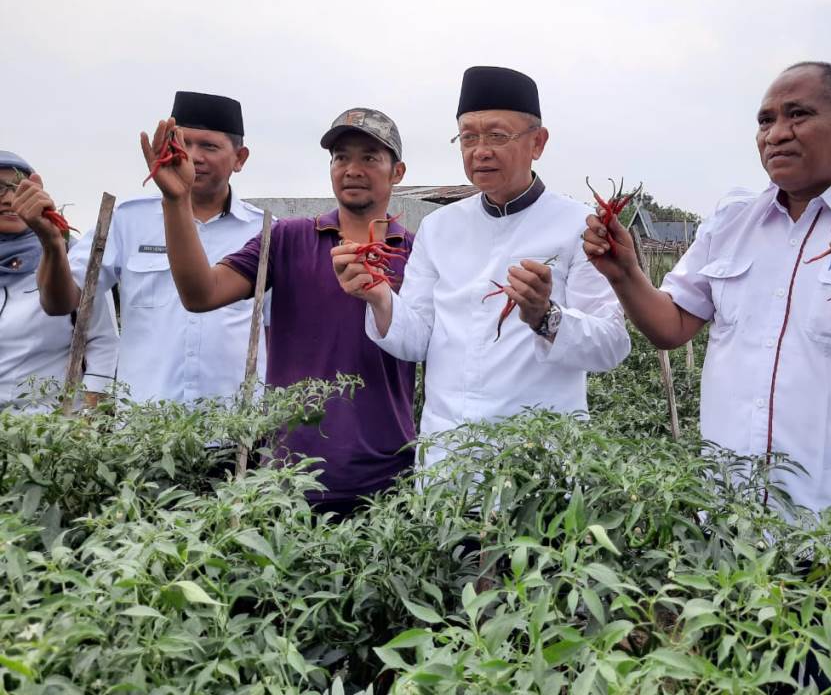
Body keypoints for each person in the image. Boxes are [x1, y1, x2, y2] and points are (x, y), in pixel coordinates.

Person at [583, 61, 831, 690]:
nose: (776, 132)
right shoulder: (732, 223)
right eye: (766, 120)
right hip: (732, 547)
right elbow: (671, 326)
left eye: (798, 114)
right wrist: (625, 273)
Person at [335, 66, 630, 467]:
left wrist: (545, 316)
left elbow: (612, 345)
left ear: (538, 143)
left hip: (538, 465)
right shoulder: (439, 227)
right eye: (468, 137)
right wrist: (380, 298)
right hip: (447, 462)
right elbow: (419, 339)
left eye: (497, 136)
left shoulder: (580, 227)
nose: (480, 150)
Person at [151, 106, 416, 517]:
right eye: (341, 157)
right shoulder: (288, 239)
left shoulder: (416, 254)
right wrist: (176, 200)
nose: (352, 169)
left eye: (370, 157)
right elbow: (200, 293)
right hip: (290, 479)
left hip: (388, 480)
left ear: (396, 172)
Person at [13, 92, 267, 403]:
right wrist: (52, 245)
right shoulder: (127, 220)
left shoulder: (265, 232)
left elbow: (279, 327)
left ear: (240, 158)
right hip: (143, 431)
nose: (192, 156)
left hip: (237, 432)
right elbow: (60, 302)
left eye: (209, 146)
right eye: (182, 143)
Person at [1, 151, 118, 411]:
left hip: (52, 431)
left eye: (19, 188)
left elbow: (103, 341)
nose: (10, 199)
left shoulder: (72, 258)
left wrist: (89, 421)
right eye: (0, 189)